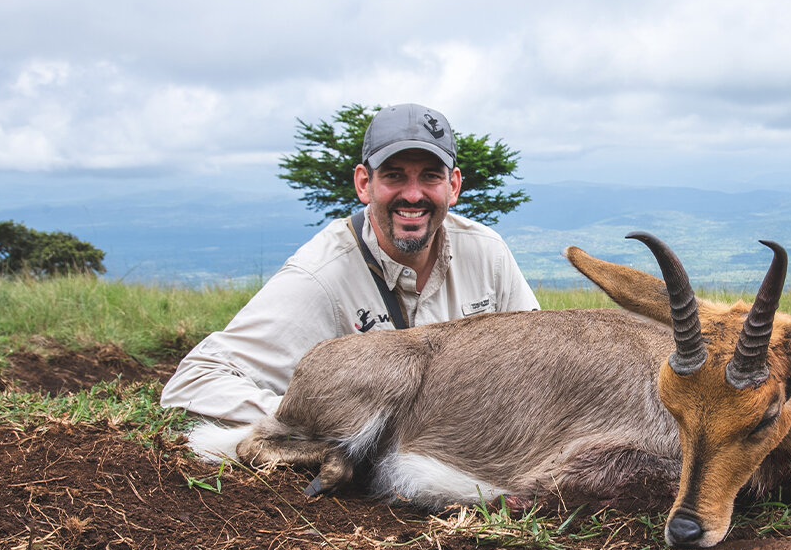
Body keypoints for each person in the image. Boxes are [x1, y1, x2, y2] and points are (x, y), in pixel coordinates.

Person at [161, 103, 540, 424]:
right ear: (364, 184)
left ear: (453, 186)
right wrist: (319, 420)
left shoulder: (488, 255)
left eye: (430, 176)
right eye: (394, 176)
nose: (413, 194)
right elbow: (194, 382)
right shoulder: (321, 276)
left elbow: (540, 367)